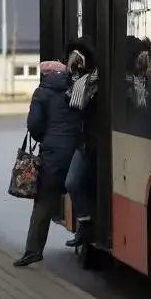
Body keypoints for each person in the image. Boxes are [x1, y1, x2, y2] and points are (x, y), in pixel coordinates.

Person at [14, 50, 84, 267]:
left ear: (45, 76)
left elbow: (33, 124)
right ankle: (85, 232)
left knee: (44, 200)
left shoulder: (42, 92)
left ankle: (33, 250)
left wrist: (46, 137)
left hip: (53, 152)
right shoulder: (77, 87)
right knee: (79, 188)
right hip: (77, 150)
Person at [63, 37, 98, 248]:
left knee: (73, 182)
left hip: (92, 143)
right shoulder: (78, 81)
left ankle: (86, 223)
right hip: (83, 142)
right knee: (74, 182)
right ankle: (85, 222)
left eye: (77, 59)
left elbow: (78, 104)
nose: (73, 63)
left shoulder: (91, 80)